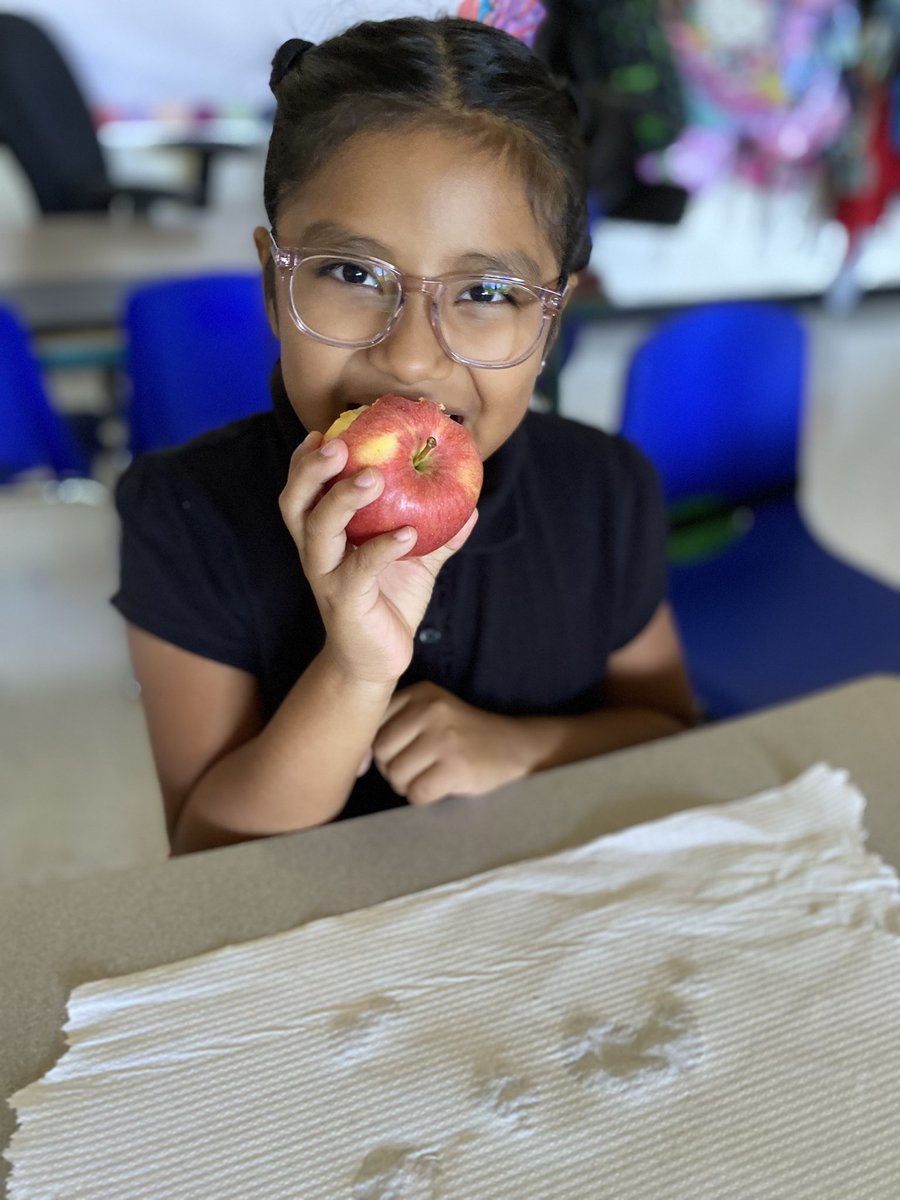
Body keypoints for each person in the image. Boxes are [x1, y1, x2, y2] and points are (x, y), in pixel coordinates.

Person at [113, 16, 696, 855]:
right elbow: (209, 847)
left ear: (552, 319)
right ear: (274, 287)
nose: (413, 358)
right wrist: (355, 673)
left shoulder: (605, 490)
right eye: (352, 273)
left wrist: (524, 751)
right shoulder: (182, 514)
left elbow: (672, 731)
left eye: (487, 292)